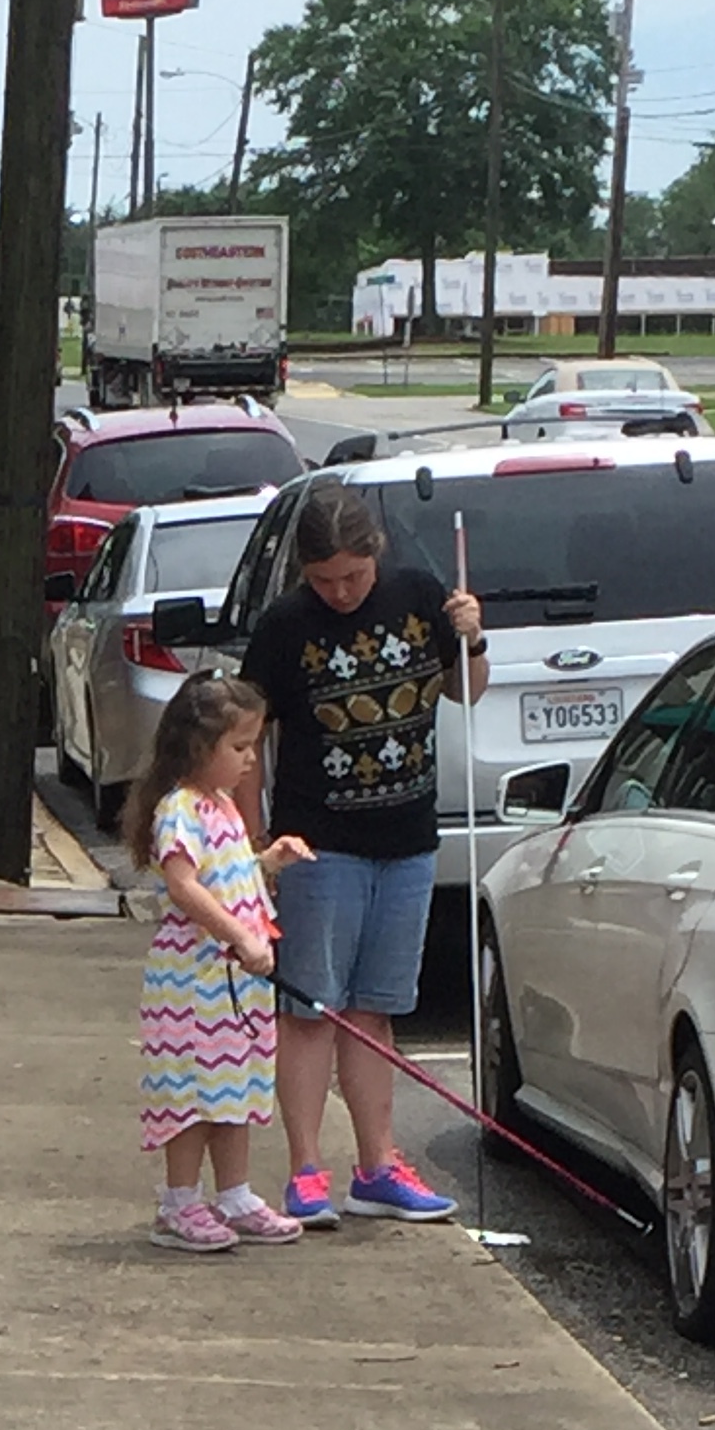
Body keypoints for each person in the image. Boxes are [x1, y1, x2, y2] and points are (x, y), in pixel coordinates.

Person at [238, 477, 486, 1226]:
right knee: (314, 1007)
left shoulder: (417, 595)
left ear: (375, 556)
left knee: (376, 1010)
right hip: (321, 843)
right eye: (324, 580)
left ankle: (377, 1163)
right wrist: (256, 854)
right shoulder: (285, 627)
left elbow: (466, 691)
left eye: (353, 575)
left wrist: (473, 635)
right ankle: (306, 1168)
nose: (341, 591)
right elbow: (250, 745)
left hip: (407, 839)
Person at [128, 673, 314, 1253]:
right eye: (238, 747)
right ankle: (180, 1200)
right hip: (195, 981)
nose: (248, 758)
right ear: (197, 746)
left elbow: (224, 876)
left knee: (233, 1087)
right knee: (193, 1091)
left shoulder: (223, 807)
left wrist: (265, 864)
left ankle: (234, 1193)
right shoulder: (181, 809)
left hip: (234, 981)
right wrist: (240, 935)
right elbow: (185, 886)